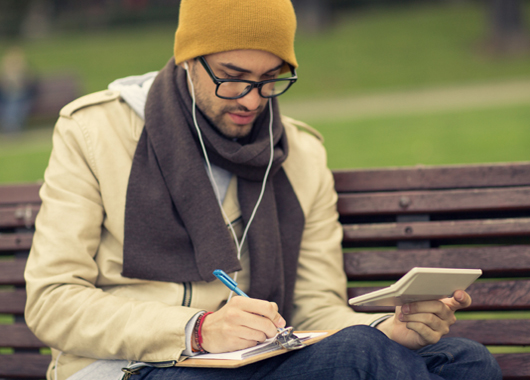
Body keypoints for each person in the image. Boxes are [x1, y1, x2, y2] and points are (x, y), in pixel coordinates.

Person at [24, 1, 502, 379]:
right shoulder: (93, 131)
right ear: (190, 59)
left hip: (257, 361)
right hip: (135, 365)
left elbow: (315, 308)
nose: (252, 100)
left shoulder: (301, 153)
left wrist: (389, 328)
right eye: (232, 79)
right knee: (357, 357)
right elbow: (52, 300)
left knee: (464, 361)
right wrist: (196, 329)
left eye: (271, 80)